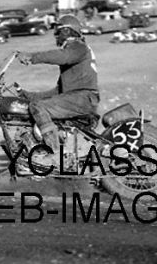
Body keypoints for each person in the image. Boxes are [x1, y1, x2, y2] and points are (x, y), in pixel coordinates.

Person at [17, 14, 99, 171]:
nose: (56, 35)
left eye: (58, 30)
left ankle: (55, 153)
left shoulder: (78, 47)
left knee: (38, 107)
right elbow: (58, 91)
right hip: (77, 97)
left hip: (83, 98)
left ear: (67, 31)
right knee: (35, 105)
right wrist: (28, 96)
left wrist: (32, 57)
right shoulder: (75, 52)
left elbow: (62, 56)